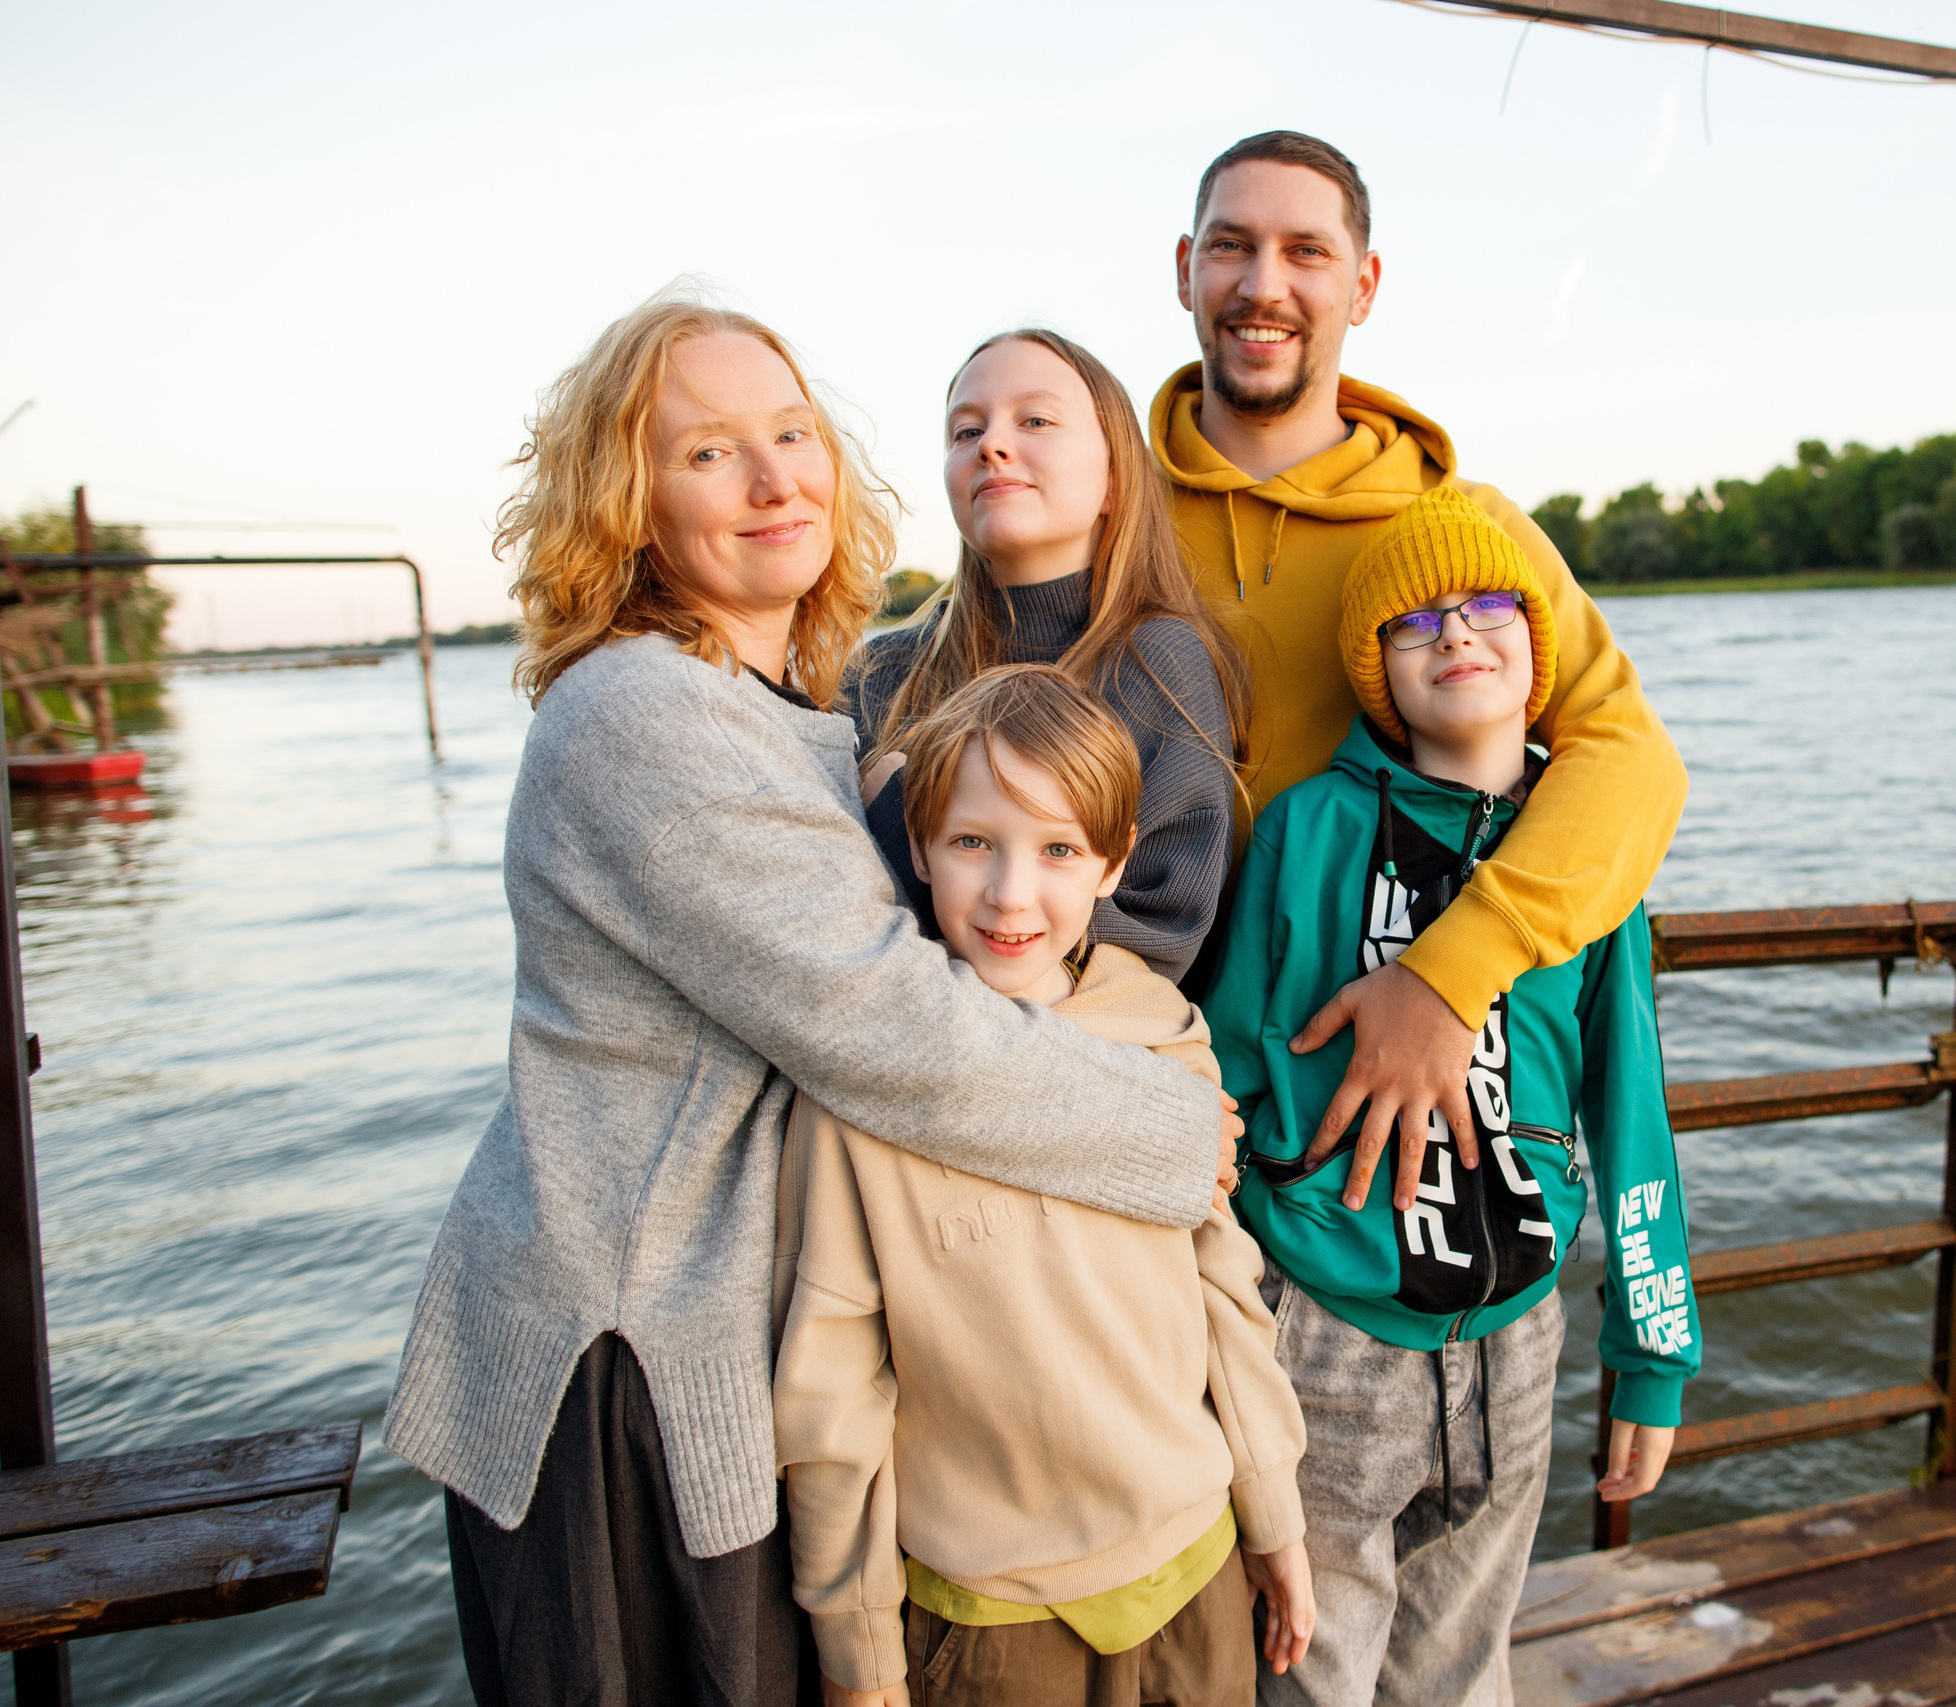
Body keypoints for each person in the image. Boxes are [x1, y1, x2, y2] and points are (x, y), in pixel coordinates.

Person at [385, 293, 1232, 1707]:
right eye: (708, 452)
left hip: (720, 1340)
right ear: (629, 503)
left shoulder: (793, 707)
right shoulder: (644, 715)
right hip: (631, 1367)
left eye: (792, 433)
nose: (775, 479)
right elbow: (889, 1022)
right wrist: (1173, 1127)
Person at [1205, 487, 1698, 1707]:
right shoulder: (1306, 830)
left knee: (1463, 1674)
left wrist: (1653, 1350)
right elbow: (1218, 1065)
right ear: (1373, 668)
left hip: (1517, 1338)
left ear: (1540, 642)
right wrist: (1247, 1270)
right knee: (1305, 1671)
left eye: (1488, 606)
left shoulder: (1582, 860)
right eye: (1414, 621)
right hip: (1325, 1334)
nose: (1456, 632)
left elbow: (1631, 1113)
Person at [1154, 131, 1690, 1206]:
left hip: (1378, 1107)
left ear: (1364, 286)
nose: (1263, 285)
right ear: (1185, 268)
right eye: (1232, 246)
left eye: (1306, 252)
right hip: (1152, 1091)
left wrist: (1452, 974)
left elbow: (1631, 759)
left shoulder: (1459, 534)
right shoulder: (1103, 504)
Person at [775, 665, 1316, 1707]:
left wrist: (1273, 1516)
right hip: (989, 1616)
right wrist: (857, 1651)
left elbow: (1224, 1297)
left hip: (1196, 1565)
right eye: (973, 842)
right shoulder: (862, 1090)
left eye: (1059, 849)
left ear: (1115, 862)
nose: (1011, 894)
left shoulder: (1160, 1033)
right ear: (919, 848)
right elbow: (831, 1389)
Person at [853, 329, 1249, 981]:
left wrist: (894, 822)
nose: (991, 444)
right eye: (965, 431)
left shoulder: (1157, 665)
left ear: (1114, 479)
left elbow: (1160, 937)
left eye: (1034, 420)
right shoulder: (882, 672)